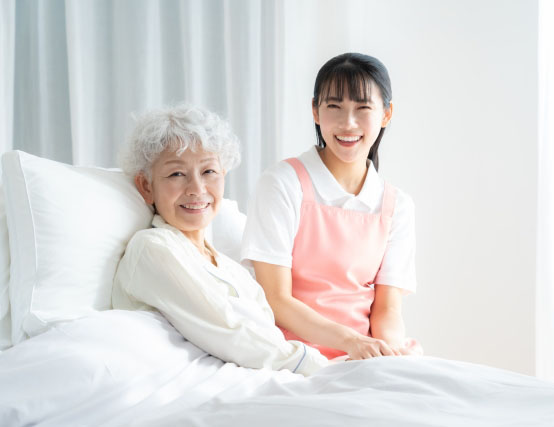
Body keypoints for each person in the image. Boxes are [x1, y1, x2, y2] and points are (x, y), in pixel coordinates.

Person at [112, 105, 328, 376]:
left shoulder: (232, 269)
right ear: (147, 186)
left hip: (260, 379)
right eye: (176, 174)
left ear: (223, 176)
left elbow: (267, 339)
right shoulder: (152, 248)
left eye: (208, 172)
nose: (197, 189)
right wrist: (321, 367)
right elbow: (229, 332)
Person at [241, 53, 423, 361]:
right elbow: (276, 299)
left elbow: (387, 309)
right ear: (315, 110)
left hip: (364, 356)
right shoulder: (282, 184)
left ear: (386, 114)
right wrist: (352, 342)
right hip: (295, 356)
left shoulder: (396, 206)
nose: (347, 123)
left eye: (362, 108)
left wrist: (388, 354)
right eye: (334, 107)